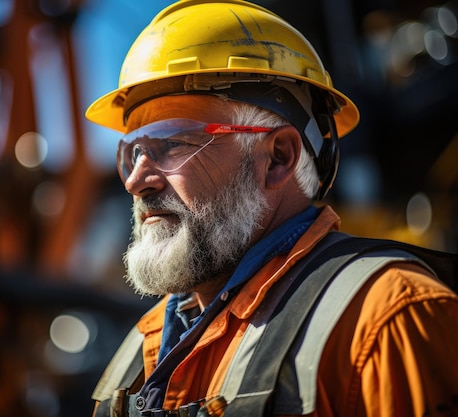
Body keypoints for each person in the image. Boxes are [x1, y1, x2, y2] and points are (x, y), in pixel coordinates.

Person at [84, 1, 458, 416]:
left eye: (172, 143)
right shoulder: (142, 349)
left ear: (278, 157)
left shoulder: (386, 322)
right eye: (133, 152)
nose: (136, 181)